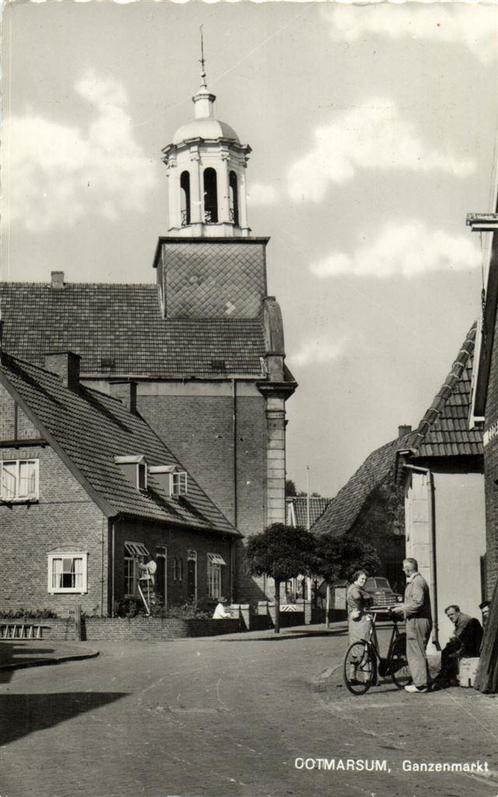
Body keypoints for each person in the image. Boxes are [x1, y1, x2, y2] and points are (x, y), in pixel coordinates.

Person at [392, 558, 432, 694]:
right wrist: (401, 606)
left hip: (417, 621)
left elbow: (418, 603)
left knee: (416, 652)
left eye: (404, 568)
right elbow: (414, 602)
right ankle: (425, 681)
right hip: (416, 620)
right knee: (418, 651)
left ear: (408, 569)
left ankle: (421, 684)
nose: (403, 570)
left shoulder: (417, 582)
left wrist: (402, 610)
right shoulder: (416, 581)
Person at [435, 605, 483, 686]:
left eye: (452, 614)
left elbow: (458, 636)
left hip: (471, 646)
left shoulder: (463, 620)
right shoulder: (460, 619)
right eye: (448, 615)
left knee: (448, 651)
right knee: (448, 650)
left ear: (458, 612)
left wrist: (453, 641)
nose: (450, 617)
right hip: (467, 643)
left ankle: (447, 677)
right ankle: (448, 677)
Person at [346, 570, 374, 644]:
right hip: (360, 619)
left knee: (359, 641)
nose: (364, 581)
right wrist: (358, 608)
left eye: (365, 579)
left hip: (358, 618)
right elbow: (357, 597)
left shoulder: (357, 588)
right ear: (356, 578)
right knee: (362, 641)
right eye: (362, 579)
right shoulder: (355, 588)